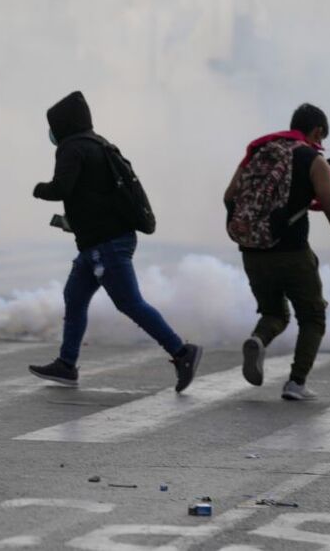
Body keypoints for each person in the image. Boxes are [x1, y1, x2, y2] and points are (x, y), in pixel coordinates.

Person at [28, 91, 203, 392]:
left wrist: (39, 189)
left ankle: (182, 352)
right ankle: (67, 365)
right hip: (102, 242)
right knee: (75, 296)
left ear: (62, 124)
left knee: (130, 303)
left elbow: (62, 188)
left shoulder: (72, 147)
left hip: (105, 245)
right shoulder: (100, 144)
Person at [225, 103, 330, 401]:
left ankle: (257, 339)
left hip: (252, 250)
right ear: (317, 131)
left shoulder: (260, 152)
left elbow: (229, 196)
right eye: (322, 137)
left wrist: (253, 226)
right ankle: (296, 383)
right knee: (313, 316)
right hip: (291, 252)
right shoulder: (312, 158)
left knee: (274, 312)